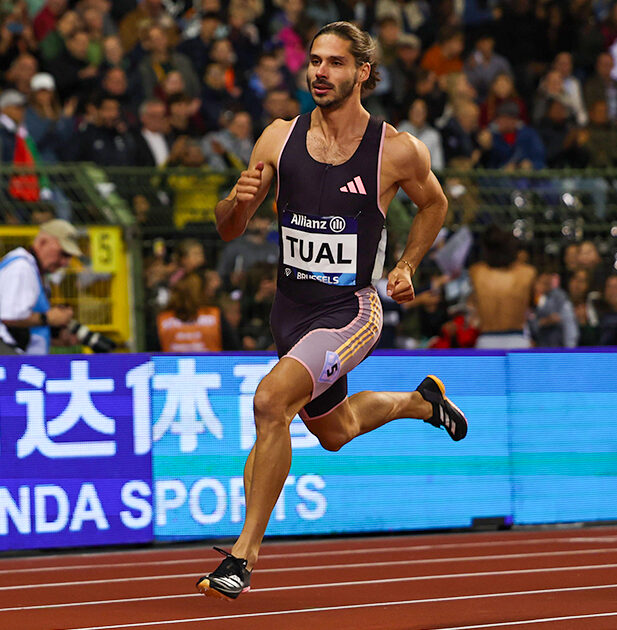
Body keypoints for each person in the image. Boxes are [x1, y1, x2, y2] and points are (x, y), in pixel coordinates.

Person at [196, 21, 468, 600]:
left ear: (363, 72)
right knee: (335, 432)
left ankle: (242, 555)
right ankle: (421, 403)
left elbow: (435, 205)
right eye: (315, 61)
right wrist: (235, 204)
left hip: (351, 311)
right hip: (289, 313)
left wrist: (407, 265)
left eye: (336, 63)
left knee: (271, 402)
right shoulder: (276, 137)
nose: (320, 72)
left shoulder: (396, 150)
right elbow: (228, 228)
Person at [0, 219, 81, 354]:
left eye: (69, 257)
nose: (65, 263)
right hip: (8, 361)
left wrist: (57, 337)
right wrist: (50, 318)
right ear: (42, 242)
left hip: (18, 361)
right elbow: (11, 316)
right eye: (63, 254)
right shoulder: (21, 268)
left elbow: (20, 329)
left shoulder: (34, 269)